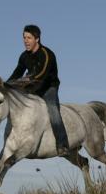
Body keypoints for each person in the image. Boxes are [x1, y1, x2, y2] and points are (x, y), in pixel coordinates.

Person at [7, 25, 70, 156]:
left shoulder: (47, 54)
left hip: (48, 87)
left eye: (29, 38)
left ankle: (62, 145)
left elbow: (41, 75)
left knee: (53, 109)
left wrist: (21, 83)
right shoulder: (24, 56)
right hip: (32, 87)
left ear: (37, 39)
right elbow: (17, 72)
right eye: (24, 37)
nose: (25, 40)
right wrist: (6, 85)